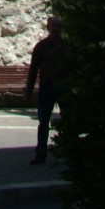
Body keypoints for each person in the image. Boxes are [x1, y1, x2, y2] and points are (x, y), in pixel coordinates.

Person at [25, 15, 68, 165]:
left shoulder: (66, 46)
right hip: (47, 88)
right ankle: (41, 153)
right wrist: (29, 90)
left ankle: (68, 151)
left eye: (58, 26)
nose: (56, 29)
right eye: (53, 26)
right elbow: (33, 69)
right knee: (43, 122)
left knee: (67, 121)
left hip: (63, 87)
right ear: (48, 28)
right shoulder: (41, 47)